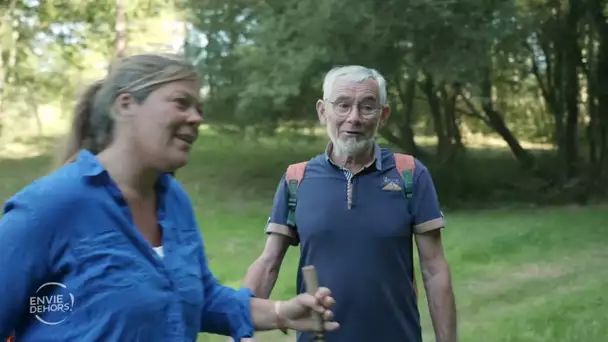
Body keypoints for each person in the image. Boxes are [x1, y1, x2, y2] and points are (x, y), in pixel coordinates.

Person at [0, 52, 339, 342]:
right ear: (127, 104)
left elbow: (197, 297)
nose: (197, 118)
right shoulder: (50, 207)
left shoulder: (172, 199)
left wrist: (281, 311)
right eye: (181, 103)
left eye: (198, 108)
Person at [239, 65, 458, 342]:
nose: (353, 118)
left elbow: (434, 268)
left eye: (367, 107)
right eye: (342, 105)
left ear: (383, 116)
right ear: (322, 111)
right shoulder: (297, 178)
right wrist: (238, 325)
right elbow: (268, 263)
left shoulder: (410, 174)